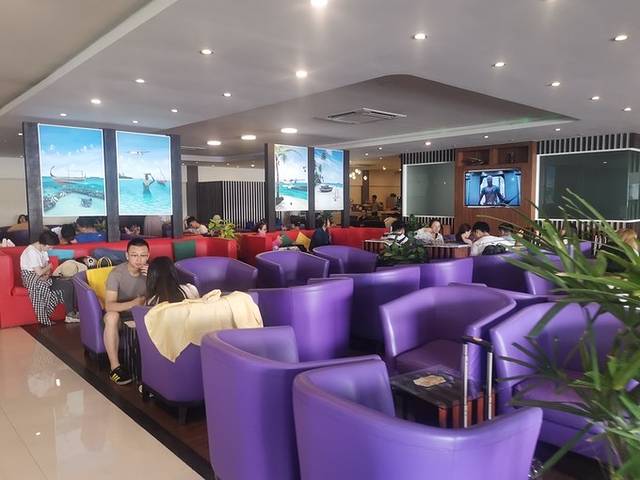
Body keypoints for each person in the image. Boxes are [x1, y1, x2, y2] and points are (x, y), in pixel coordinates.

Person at [103, 238, 150, 385]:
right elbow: (109, 306)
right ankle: (115, 367)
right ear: (127, 255)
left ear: (148, 256)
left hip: (143, 315)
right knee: (111, 316)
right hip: (121, 317)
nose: (139, 260)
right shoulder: (116, 274)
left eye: (143, 255)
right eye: (134, 255)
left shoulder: (151, 272)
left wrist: (154, 278)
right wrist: (134, 303)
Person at [19, 231, 79, 326]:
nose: (50, 249)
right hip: (30, 277)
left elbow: (45, 269)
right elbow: (39, 271)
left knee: (68, 284)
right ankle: (43, 318)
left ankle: (70, 314)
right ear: (43, 244)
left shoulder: (43, 250)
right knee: (42, 286)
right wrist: (49, 267)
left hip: (43, 276)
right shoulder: (31, 252)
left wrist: (47, 273)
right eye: (49, 247)